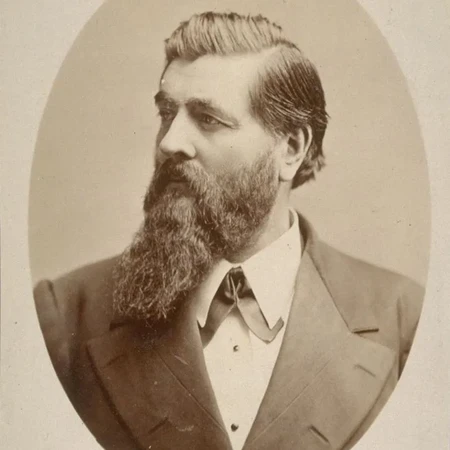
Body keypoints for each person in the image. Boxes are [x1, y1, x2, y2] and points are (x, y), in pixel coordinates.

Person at [34, 11, 424, 450]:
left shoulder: (404, 322)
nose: (170, 142)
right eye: (167, 113)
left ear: (291, 149)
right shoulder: (64, 316)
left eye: (208, 119)